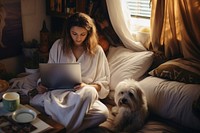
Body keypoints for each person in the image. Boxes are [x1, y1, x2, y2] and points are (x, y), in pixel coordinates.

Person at [30, 12, 110, 133]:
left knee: (101, 111)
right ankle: (70, 127)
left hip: (82, 97)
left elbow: (104, 83)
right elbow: (49, 72)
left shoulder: (97, 51)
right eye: (74, 34)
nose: (78, 38)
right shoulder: (58, 46)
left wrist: (87, 86)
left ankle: (62, 128)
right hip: (58, 94)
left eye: (83, 34)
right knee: (34, 101)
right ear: (68, 32)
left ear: (89, 33)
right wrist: (42, 85)